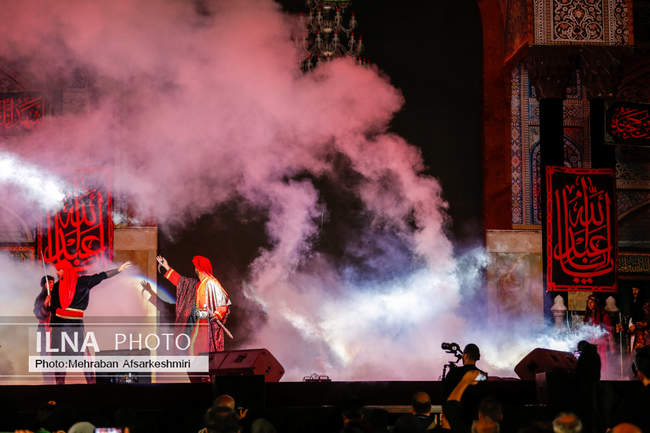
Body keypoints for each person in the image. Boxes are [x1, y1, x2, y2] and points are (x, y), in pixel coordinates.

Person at [48, 259, 132, 384]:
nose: (57, 273)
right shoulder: (61, 285)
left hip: (68, 326)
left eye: (59, 270)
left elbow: (100, 276)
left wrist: (118, 270)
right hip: (66, 326)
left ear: (66, 270)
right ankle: (72, 385)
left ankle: (87, 384)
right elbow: (53, 309)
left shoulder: (75, 283)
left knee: (73, 358)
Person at [583, 295, 614, 368]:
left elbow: (609, 332)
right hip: (591, 344)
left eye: (591, 302)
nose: (589, 304)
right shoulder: (588, 315)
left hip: (602, 345)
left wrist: (612, 348)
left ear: (596, 303)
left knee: (602, 364)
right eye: (588, 302)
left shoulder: (604, 315)